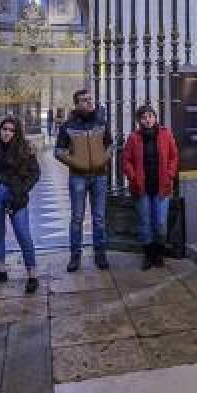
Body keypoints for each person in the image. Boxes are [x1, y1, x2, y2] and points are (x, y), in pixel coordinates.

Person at [54, 90, 113, 272]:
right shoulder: (68, 126)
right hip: (78, 177)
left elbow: (110, 145)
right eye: (84, 100)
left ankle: (100, 254)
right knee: (77, 218)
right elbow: (58, 151)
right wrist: (76, 163)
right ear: (76, 104)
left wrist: (103, 159)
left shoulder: (101, 122)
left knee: (99, 218)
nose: (89, 103)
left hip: (100, 176)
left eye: (90, 100)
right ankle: (75, 256)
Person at [0, 117, 40, 292]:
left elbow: (34, 173)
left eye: (11, 130)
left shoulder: (25, 149)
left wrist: (22, 191)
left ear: (17, 132)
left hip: (17, 194)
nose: (6, 133)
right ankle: (1, 271)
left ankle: (32, 274)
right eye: (4, 129)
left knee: (23, 234)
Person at [121, 104, 179, 271]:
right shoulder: (133, 138)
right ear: (139, 120)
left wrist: (169, 174)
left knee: (160, 223)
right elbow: (126, 160)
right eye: (143, 117)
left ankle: (159, 253)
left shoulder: (166, 134)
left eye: (150, 116)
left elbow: (174, 156)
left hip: (162, 186)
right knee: (144, 222)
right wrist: (133, 177)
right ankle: (148, 255)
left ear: (155, 117)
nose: (147, 120)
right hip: (142, 188)